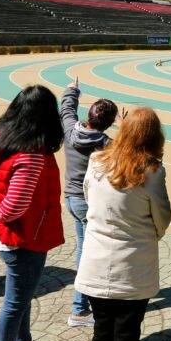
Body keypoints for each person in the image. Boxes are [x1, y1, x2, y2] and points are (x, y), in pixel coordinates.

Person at [75, 107, 171, 341]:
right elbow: (162, 216)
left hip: (95, 262)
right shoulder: (152, 171)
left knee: (102, 331)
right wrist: (150, 234)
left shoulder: (97, 161)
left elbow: (90, 201)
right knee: (126, 335)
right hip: (133, 265)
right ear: (154, 135)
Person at [0, 85, 66, 341]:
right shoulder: (31, 154)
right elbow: (16, 204)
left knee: (22, 296)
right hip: (24, 237)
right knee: (15, 302)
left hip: (8, 235)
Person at [60, 79, 118, 328]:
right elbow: (129, 154)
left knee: (84, 250)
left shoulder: (71, 130)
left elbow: (66, 109)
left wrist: (72, 90)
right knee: (87, 254)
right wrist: (125, 128)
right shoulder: (104, 144)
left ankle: (84, 305)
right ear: (109, 123)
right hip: (89, 203)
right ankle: (79, 310)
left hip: (71, 199)